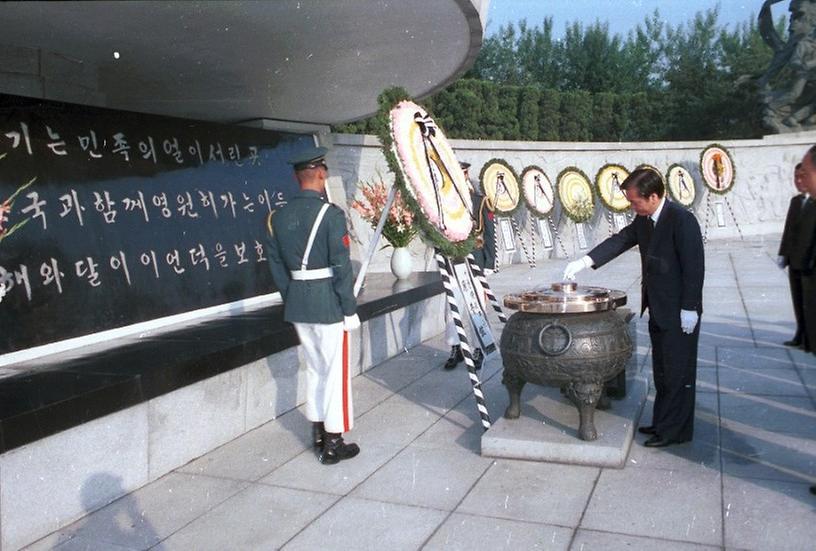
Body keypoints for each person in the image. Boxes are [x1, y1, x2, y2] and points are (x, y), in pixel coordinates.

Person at [563, 167, 704, 448]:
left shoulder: (681, 220)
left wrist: (690, 307)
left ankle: (674, 432)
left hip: (679, 313)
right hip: (658, 308)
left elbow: (694, 267)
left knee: (678, 373)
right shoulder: (645, 219)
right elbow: (620, 240)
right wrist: (585, 262)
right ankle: (663, 423)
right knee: (663, 371)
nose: (632, 206)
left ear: (653, 196)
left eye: (635, 201)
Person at [266, 145, 360, 465]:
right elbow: (342, 267)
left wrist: (292, 297)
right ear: (320, 173)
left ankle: (318, 433)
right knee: (335, 373)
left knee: (316, 370)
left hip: (299, 305)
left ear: (297, 177)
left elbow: (277, 268)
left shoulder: (278, 217)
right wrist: (349, 308)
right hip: (328, 306)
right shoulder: (331, 215)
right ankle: (333, 443)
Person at [443, 161, 491, 371]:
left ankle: (479, 348)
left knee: (476, 307)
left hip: (475, 262)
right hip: (453, 262)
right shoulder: (443, 202)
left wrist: (488, 264)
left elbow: (489, 233)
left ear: (466, 175)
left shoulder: (480, 201)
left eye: (460, 174)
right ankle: (456, 347)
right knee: (452, 307)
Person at [777, 163, 809, 349]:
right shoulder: (796, 202)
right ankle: (800, 333)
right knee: (798, 299)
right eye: (796, 177)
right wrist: (783, 254)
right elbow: (789, 231)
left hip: (810, 263)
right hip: (795, 261)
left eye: (803, 177)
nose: (799, 181)